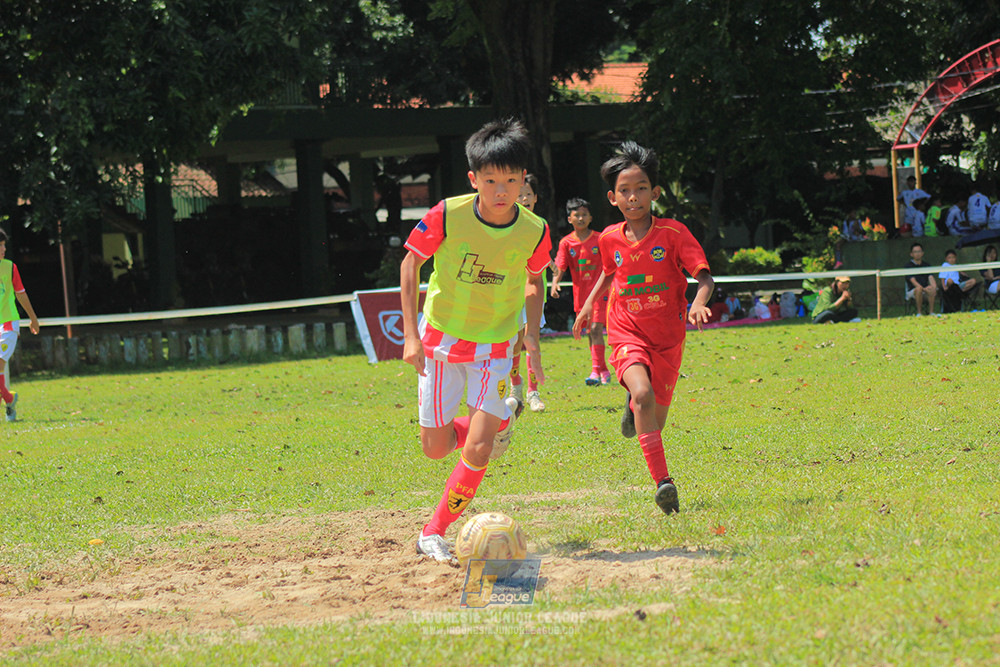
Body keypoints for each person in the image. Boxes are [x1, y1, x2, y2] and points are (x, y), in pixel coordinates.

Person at [399, 119, 552, 562]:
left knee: (479, 449)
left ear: (523, 179)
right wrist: (410, 336)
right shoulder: (447, 214)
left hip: (495, 348)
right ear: (473, 179)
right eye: (490, 181)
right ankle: (499, 421)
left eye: (510, 181)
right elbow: (410, 264)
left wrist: (531, 336)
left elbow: (534, 281)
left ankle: (433, 532)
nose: (501, 191)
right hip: (440, 342)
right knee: (435, 448)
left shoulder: (535, 230)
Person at [572, 141, 713, 516]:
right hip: (626, 331)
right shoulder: (609, 238)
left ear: (655, 192)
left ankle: (635, 400)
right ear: (613, 197)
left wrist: (699, 303)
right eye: (624, 190)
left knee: (653, 420)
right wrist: (587, 306)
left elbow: (704, 278)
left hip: (668, 339)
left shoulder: (674, 234)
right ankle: (664, 483)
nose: (633, 197)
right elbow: (609, 273)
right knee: (644, 395)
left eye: (641, 188)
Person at [551, 197, 610, 386]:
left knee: (596, 329)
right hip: (581, 295)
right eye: (577, 215)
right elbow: (560, 264)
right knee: (590, 331)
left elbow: (611, 263)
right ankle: (603, 370)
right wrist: (555, 283)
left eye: (585, 214)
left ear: (591, 217)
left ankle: (595, 372)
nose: (581, 218)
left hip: (600, 293)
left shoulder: (600, 239)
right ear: (570, 219)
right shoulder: (566, 243)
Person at [509, 173, 550, 413]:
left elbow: (542, 255)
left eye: (528, 194)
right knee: (514, 344)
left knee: (532, 342)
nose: (524, 199)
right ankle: (515, 387)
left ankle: (533, 393)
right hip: (511, 292)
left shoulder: (540, 225)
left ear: (535, 198)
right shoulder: (506, 223)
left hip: (534, 293)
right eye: (519, 195)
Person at [0, 229, 40, 422]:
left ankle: (8, 400)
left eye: (3, 245)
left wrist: (33, 318)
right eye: (0, 245)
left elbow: (21, 293)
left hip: (8, 324)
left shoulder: (10, 267)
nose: (3, 248)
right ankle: (9, 399)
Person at [939, 248, 979, 313]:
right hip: (949, 285)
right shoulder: (945, 265)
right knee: (950, 280)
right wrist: (944, 286)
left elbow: (960, 272)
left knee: (973, 281)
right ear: (946, 259)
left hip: (958, 285)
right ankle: (958, 290)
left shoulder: (956, 266)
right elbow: (942, 277)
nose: (952, 259)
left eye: (953, 257)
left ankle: (961, 291)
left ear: (956, 258)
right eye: (949, 258)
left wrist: (962, 273)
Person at [903, 242, 937, 316]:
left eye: (919, 251)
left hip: (925, 290)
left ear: (922, 253)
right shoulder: (908, 266)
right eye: (915, 252)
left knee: (932, 288)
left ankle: (931, 312)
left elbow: (931, 277)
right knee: (918, 289)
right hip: (912, 291)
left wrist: (933, 287)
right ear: (911, 254)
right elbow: (914, 282)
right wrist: (924, 289)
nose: (917, 254)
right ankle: (919, 313)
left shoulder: (927, 265)